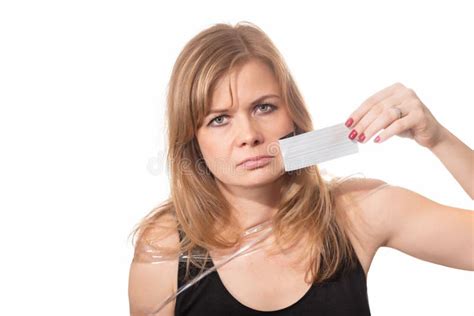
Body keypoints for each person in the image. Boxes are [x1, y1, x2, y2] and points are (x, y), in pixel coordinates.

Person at [127, 21, 473, 316]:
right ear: (192, 139)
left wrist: (439, 139)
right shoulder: (165, 248)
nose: (248, 136)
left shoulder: (357, 213)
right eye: (219, 119)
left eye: (264, 107)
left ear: (291, 115)